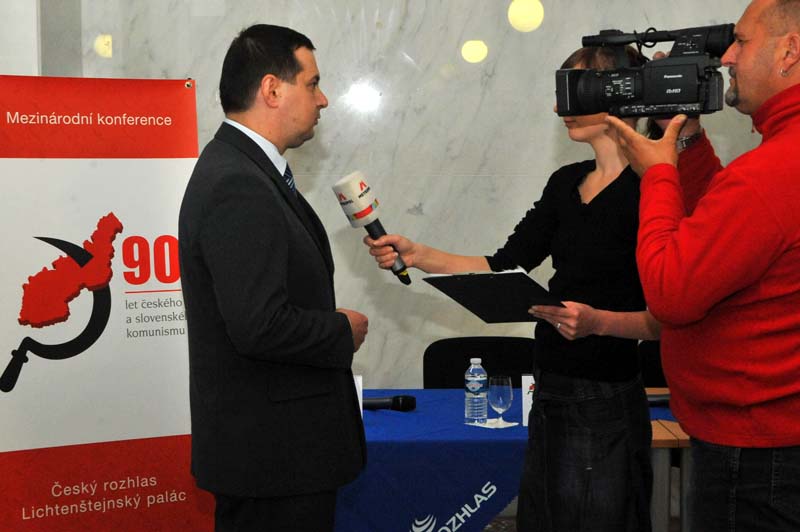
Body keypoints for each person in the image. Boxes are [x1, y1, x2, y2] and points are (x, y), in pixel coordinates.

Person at [366, 47, 660, 532]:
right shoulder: (565, 182)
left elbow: (671, 314)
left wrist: (599, 323)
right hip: (549, 387)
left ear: (616, 93)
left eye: (572, 91)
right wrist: (417, 254)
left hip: (608, 397)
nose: (559, 107)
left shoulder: (655, 186)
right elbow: (504, 264)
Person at [606, 1, 800, 530]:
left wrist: (659, 175)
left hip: (757, 453)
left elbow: (670, 292)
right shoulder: (777, 161)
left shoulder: (771, 171)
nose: (728, 57)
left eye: (742, 41)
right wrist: (686, 139)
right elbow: (728, 236)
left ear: (789, 52)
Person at [178, 24, 369, 532]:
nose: (323, 100)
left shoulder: (246, 170)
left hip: (279, 457)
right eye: (313, 83)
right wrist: (340, 330)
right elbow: (258, 325)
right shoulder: (237, 183)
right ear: (272, 90)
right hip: (273, 461)